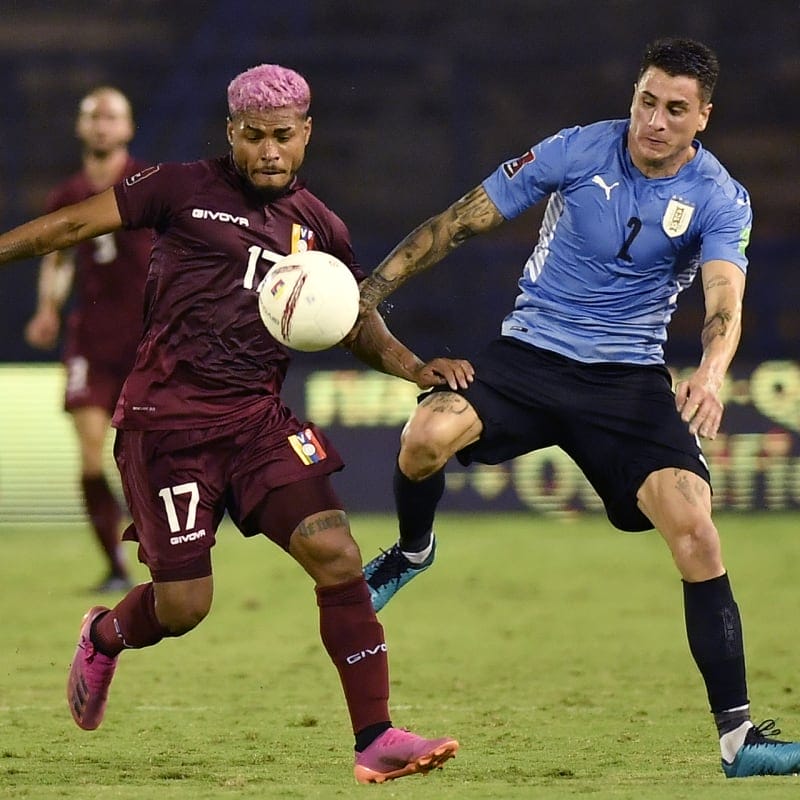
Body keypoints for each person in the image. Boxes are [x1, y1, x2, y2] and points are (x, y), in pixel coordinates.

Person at [0, 65, 466, 783]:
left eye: (283, 136)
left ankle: (374, 738)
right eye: (253, 137)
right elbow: (68, 224)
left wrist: (411, 367)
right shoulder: (179, 188)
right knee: (184, 607)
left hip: (256, 423)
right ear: (231, 133)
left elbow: (353, 323)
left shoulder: (322, 230)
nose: (268, 152)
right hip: (166, 428)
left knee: (338, 556)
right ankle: (103, 633)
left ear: (306, 135)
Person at [357, 37, 800, 778]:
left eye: (675, 110)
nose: (653, 121)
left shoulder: (721, 197)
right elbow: (461, 219)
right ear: (634, 96)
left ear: (703, 120)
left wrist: (713, 373)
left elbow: (725, 297)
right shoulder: (577, 150)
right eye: (646, 101)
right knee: (423, 437)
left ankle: (738, 740)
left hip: (626, 381)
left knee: (695, 530)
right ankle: (410, 552)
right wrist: (370, 295)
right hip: (531, 354)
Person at [24, 87, 152, 593]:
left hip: (147, 342)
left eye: (111, 116)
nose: (101, 124)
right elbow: (55, 260)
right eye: (92, 116)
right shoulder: (66, 195)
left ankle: (167, 550)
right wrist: (48, 308)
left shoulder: (148, 185)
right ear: (81, 128)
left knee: (147, 455)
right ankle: (117, 567)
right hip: (92, 343)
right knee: (89, 454)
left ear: (128, 128)